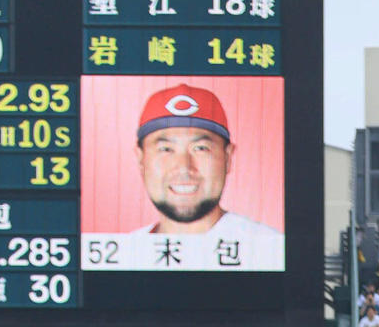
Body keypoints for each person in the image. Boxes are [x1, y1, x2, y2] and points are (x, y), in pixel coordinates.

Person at [115, 87, 283, 270]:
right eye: (166, 149)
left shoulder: (270, 249)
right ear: (141, 159)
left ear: (228, 157)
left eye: (200, 148)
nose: (184, 168)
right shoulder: (123, 254)